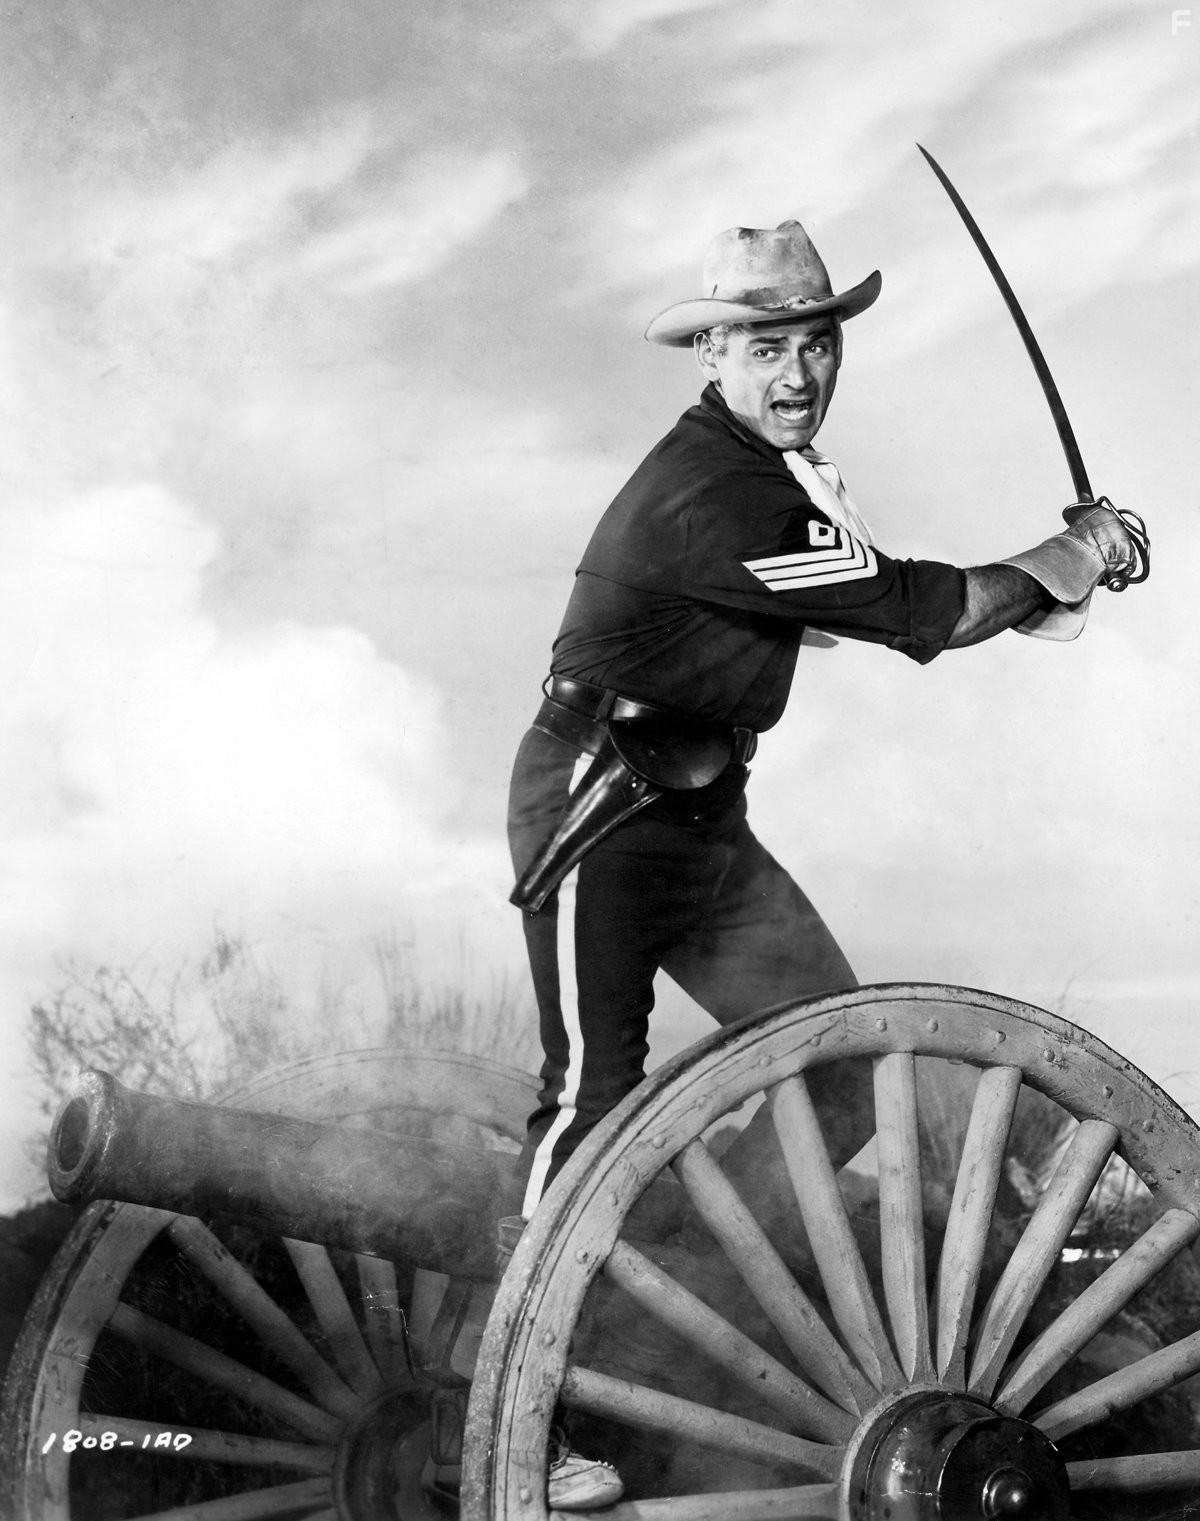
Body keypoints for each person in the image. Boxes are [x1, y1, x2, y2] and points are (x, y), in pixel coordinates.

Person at [498, 217, 1135, 1509]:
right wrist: (1072, 554)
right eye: (768, 347)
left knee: (839, 1062)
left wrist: (1052, 576)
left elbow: (896, 600)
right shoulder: (717, 494)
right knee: (591, 1101)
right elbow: (926, 610)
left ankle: (680, 1268)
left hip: (701, 813)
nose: (799, 372)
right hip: (597, 808)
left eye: (818, 343)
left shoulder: (771, 482)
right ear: (715, 355)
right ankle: (526, 1386)